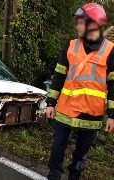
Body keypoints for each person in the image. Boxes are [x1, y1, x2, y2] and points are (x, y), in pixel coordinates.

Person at [46, 3, 114, 180]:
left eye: (81, 22)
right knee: (58, 147)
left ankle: (73, 177)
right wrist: (50, 103)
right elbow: (59, 75)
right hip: (65, 110)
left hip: (91, 114)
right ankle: (53, 176)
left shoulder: (110, 51)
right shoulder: (70, 46)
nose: (78, 26)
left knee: (81, 155)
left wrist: (112, 115)